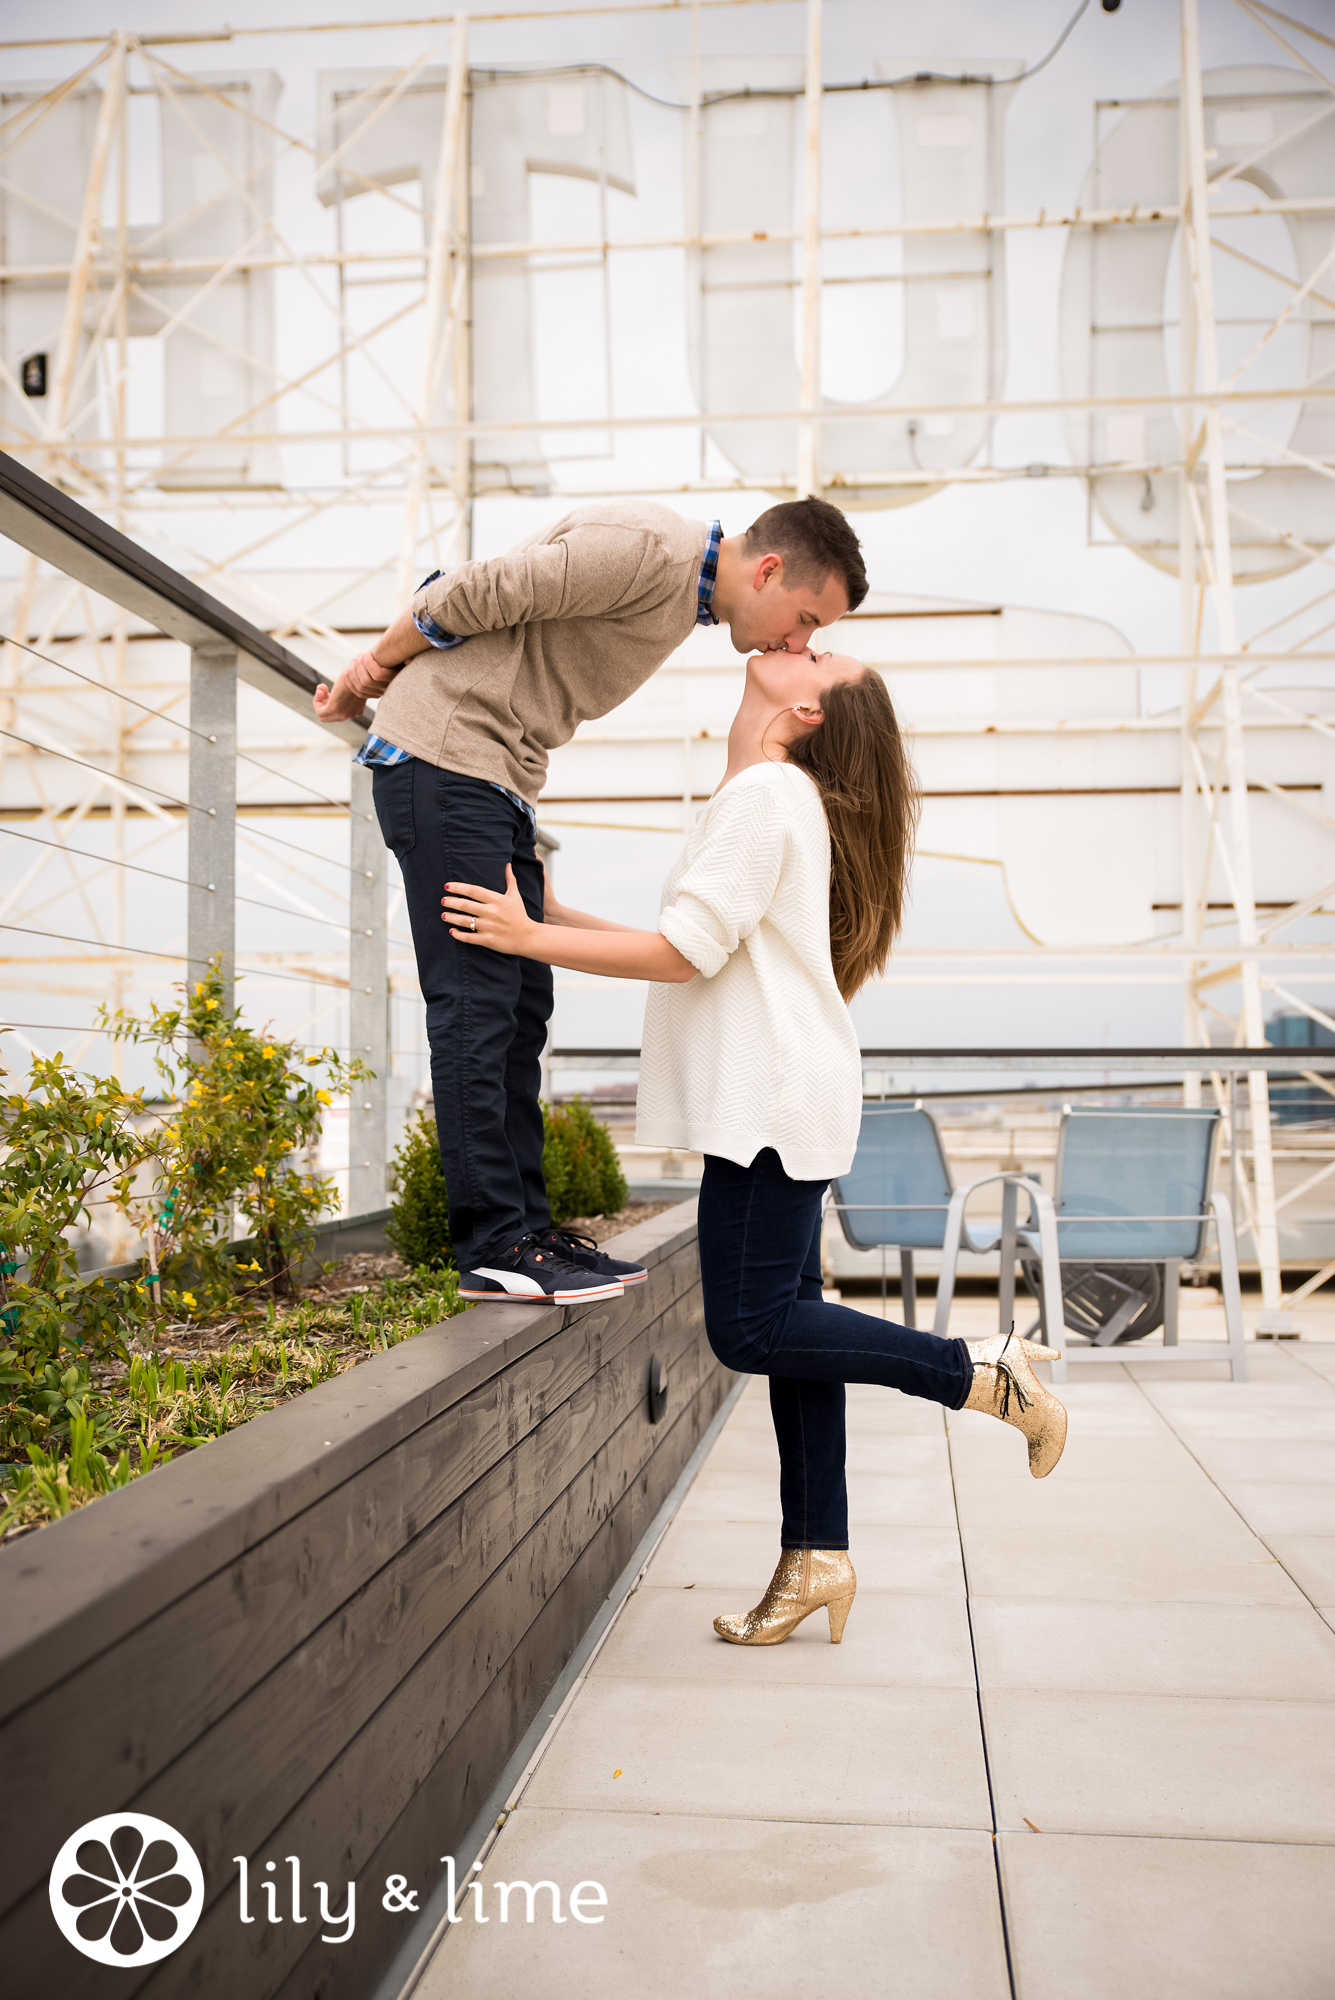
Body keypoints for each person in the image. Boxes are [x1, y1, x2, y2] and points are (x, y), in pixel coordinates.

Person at [439, 645, 1069, 1648]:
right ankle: (816, 1554)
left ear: (811, 706)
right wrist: (560, 917)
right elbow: (710, 947)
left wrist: (524, 939)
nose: (796, 641)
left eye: (818, 651)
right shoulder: (768, 795)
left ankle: (978, 1371)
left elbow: (684, 952)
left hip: (770, 1101)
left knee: (749, 1327)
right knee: (794, 1318)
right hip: (784, 1093)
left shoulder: (769, 793)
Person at [314, 498, 866, 1307]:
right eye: (805, 619)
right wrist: (369, 672)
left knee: (520, 1008)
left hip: (496, 778)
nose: (798, 642)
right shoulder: (649, 552)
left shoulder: (684, 595)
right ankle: (495, 1244)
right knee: (477, 1004)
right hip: (447, 758)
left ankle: (527, 1231)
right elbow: (464, 592)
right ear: (769, 570)